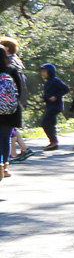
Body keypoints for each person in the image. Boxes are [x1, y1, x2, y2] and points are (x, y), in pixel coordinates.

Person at [1, 39, 24, 169]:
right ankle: (4, 166)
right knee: (6, 139)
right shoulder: (11, 69)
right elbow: (19, 91)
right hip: (10, 110)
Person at [37, 63, 65, 150]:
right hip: (49, 106)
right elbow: (47, 95)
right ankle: (53, 144)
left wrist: (56, 96)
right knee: (51, 124)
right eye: (42, 71)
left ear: (50, 72)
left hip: (56, 106)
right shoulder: (47, 83)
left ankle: (53, 141)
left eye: (44, 71)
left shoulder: (55, 80)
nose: (42, 73)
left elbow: (65, 89)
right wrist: (43, 98)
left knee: (45, 122)